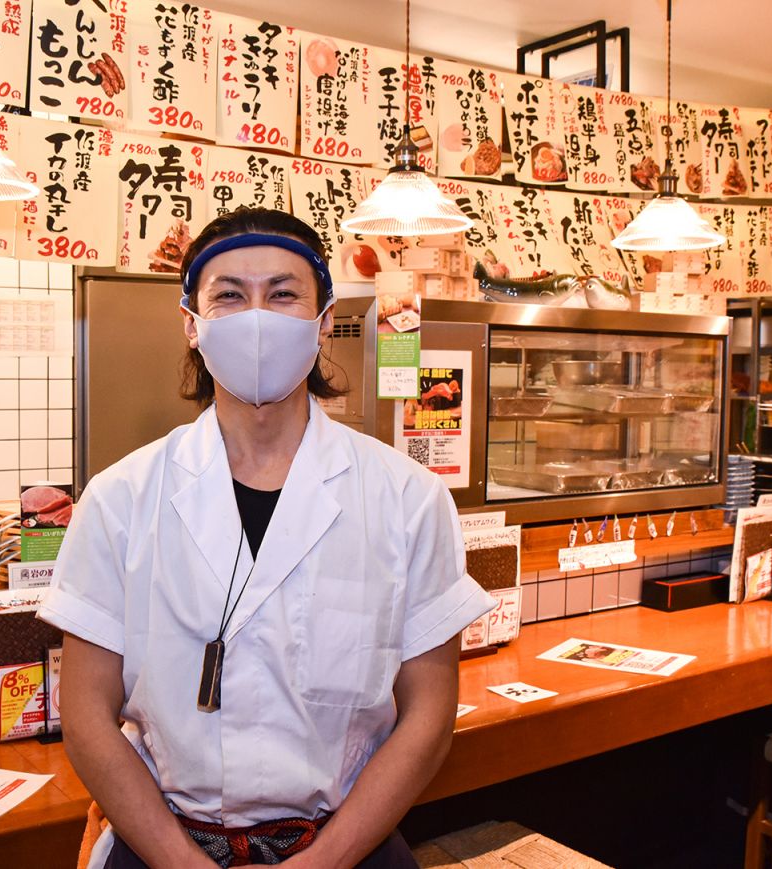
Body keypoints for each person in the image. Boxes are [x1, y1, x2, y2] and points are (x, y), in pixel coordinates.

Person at [40, 208, 494, 868]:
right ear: (191, 323)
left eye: (282, 293)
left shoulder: (405, 498)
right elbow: (84, 717)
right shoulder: (119, 500)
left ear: (320, 320)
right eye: (229, 295)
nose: (257, 317)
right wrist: (179, 860)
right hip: (163, 844)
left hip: (346, 845)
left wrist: (329, 857)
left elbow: (429, 713)